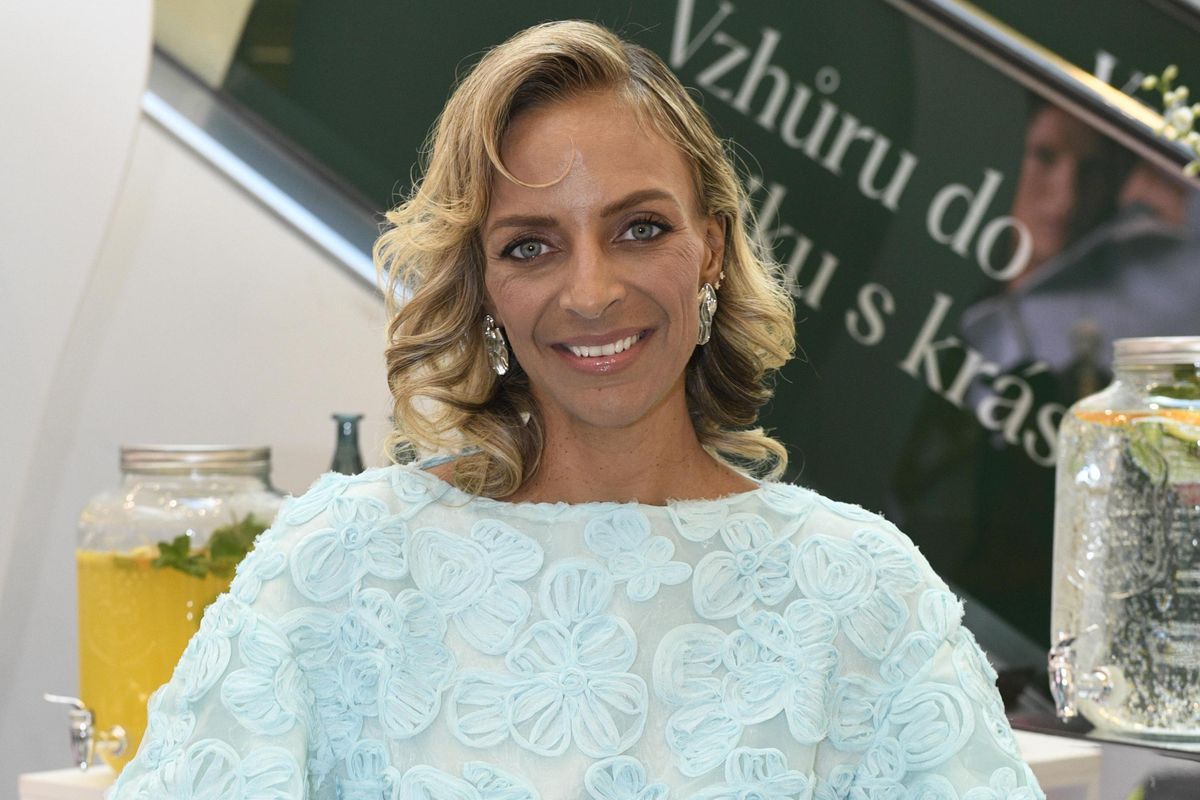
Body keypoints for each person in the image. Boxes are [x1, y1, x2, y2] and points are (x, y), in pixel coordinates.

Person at [108, 21, 1044, 800]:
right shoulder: (344, 564)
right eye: (531, 245)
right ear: (482, 284)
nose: (591, 292)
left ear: (711, 249)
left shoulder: (859, 591)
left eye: (640, 228)